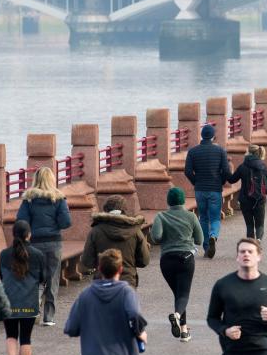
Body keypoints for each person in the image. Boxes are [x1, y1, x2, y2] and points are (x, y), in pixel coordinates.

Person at [16, 166, 71, 326]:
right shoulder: (59, 199)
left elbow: (21, 221)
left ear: (36, 180)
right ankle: (48, 317)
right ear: (52, 180)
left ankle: (33, 310)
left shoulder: (29, 199)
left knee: (33, 277)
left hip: (33, 244)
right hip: (54, 243)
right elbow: (66, 222)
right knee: (52, 278)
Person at [0, 220, 47, 355]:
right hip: (29, 302)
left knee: (11, 335)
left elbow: (2, 276)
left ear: (13, 234)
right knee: (26, 338)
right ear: (29, 235)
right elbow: (43, 278)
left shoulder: (4, 254)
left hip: (8, 302)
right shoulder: (38, 254)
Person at [151, 187, 203, 343]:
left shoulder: (161, 216)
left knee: (178, 294)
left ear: (168, 201)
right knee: (183, 294)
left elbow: (156, 238)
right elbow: (200, 240)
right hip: (186, 259)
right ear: (182, 200)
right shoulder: (191, 216)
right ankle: (178, 316)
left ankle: (184, 331)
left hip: (167, 260)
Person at [185, 123, 232, 257]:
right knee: (215, 217)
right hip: (215, 189)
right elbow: (226, 170)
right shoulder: (220, 151)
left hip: (200, 189)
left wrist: (196, 182)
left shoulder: (193, 152)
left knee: (203, 218)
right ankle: (213, 236)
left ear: (202, 135)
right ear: (213, 136)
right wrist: (221, 181)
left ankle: (206, 247)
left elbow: (187, 171)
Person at [81, 195, 148, 286]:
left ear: (105, 210)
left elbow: (87, 261)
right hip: (127, 280)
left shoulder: (96, 231)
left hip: (102, 280)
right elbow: (144, 261)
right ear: (125, 210)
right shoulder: (135, 231)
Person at [228, 144, 267, 241]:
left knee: (249, 225)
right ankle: (258, 240)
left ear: (249, 153)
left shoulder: (243, 166)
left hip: (245, 200)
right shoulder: (263, 167)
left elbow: (232, 180)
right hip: (260, 200)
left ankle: (250, 243)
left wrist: (225, 170)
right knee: (260, 224)